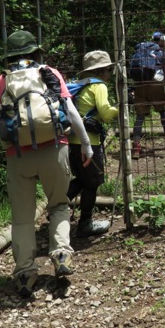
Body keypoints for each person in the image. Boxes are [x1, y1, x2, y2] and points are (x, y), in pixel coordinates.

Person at [0, 30, 94, 298]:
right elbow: (70, 110)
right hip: (54, 149)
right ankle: (62, 254)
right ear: (34, 52)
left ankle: (25, 273)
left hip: (17, 156)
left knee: (22, 218)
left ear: (10, 55)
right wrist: (86, 144)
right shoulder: (49, 73)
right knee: (59, 205)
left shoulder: (1, 82)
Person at [67, 50, 119, 238]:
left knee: (82, 178)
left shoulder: (78, 84)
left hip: (71, 141)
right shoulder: (99, 86)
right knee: (92, 182)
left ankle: (57, 208)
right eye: (109, 70)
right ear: (103, 70)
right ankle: (85, 224)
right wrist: (121, 108)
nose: (109, 74)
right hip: (89, 142)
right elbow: (105, 115)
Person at [131, 31, 165, 159]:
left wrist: (132, 88)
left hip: (139, 85)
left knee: (140, 116)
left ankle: (136, 146)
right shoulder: (162, 53)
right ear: (162, 41)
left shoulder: (140, 51)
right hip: (156, 85)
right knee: (162, 111)